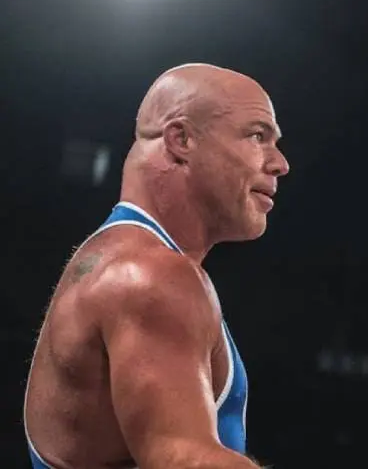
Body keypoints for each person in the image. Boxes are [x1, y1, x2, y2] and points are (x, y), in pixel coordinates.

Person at [23, 63, 289, 468]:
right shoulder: (149, 275)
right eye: (257, 135)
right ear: (181, 140)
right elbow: (180, 459)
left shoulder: (121, 259)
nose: (280, 163)